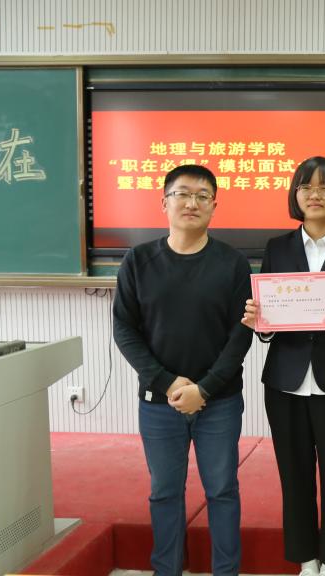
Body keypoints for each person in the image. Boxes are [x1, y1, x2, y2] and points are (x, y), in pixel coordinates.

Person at [113, 164, 252, 576]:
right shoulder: (138, 261)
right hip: (159, 402)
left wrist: (204, 389)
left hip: (219, 402)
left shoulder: (233, 264)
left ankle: (226, 571)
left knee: (222, 490)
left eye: (202, 196)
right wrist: (169, 383)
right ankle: (166, 569)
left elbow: (241, 334)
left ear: (214, 206)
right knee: (164, 493)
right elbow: (125, 330)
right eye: (183, 193)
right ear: (164, 202)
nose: (192, 202)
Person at [241, 156, 325, 576]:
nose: (314, 195)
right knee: (293, 475)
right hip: (284, 381)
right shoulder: (277, 248)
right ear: (295, 195)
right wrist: (261, 324)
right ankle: (305, 559)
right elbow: (268, 316)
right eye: (306, 187)